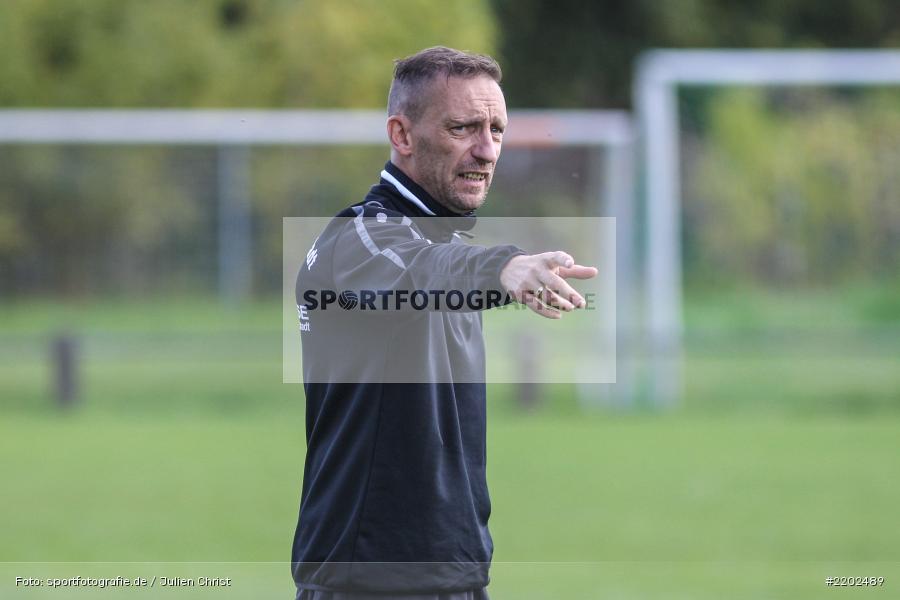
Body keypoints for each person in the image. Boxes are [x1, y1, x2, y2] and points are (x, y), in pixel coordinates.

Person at [292, 46, 597, 600]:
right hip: (370, 577)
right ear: (402, 136)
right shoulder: (357, 238)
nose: (486, 150)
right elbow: (420, 270)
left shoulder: (444, 245)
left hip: (453, 571)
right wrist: (503, 264)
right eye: (462, 128)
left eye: (497, 130)